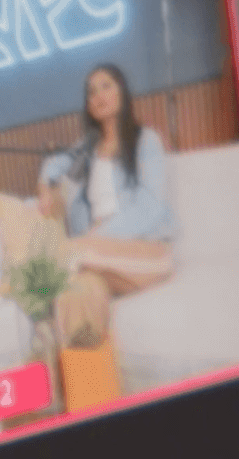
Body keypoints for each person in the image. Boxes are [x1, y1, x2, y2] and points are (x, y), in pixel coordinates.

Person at [37, 63, 177, 347]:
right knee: (77, 292)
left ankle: (37, 285)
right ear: (88, 105)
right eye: (91, 92)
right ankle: (86, 375)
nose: (98, 96)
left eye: (106, 86)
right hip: (97, 259)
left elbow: (151, 206)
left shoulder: (145, 140)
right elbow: (53, 164)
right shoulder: (87, 148)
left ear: (121, 92)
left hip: (146, 252)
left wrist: (96, 236)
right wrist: (45, 188)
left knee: (68, 253)